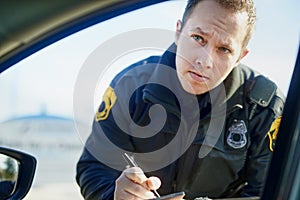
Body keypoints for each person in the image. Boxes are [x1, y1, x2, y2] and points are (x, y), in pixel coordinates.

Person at [76, 0, 285, 199]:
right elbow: (93, 167)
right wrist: (114, 196)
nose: (204, 61)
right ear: (178, 32)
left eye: (224, 49)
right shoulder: (131, 86)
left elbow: (272, 191)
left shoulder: (264, 109)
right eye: (198, 38)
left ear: (240, 56)